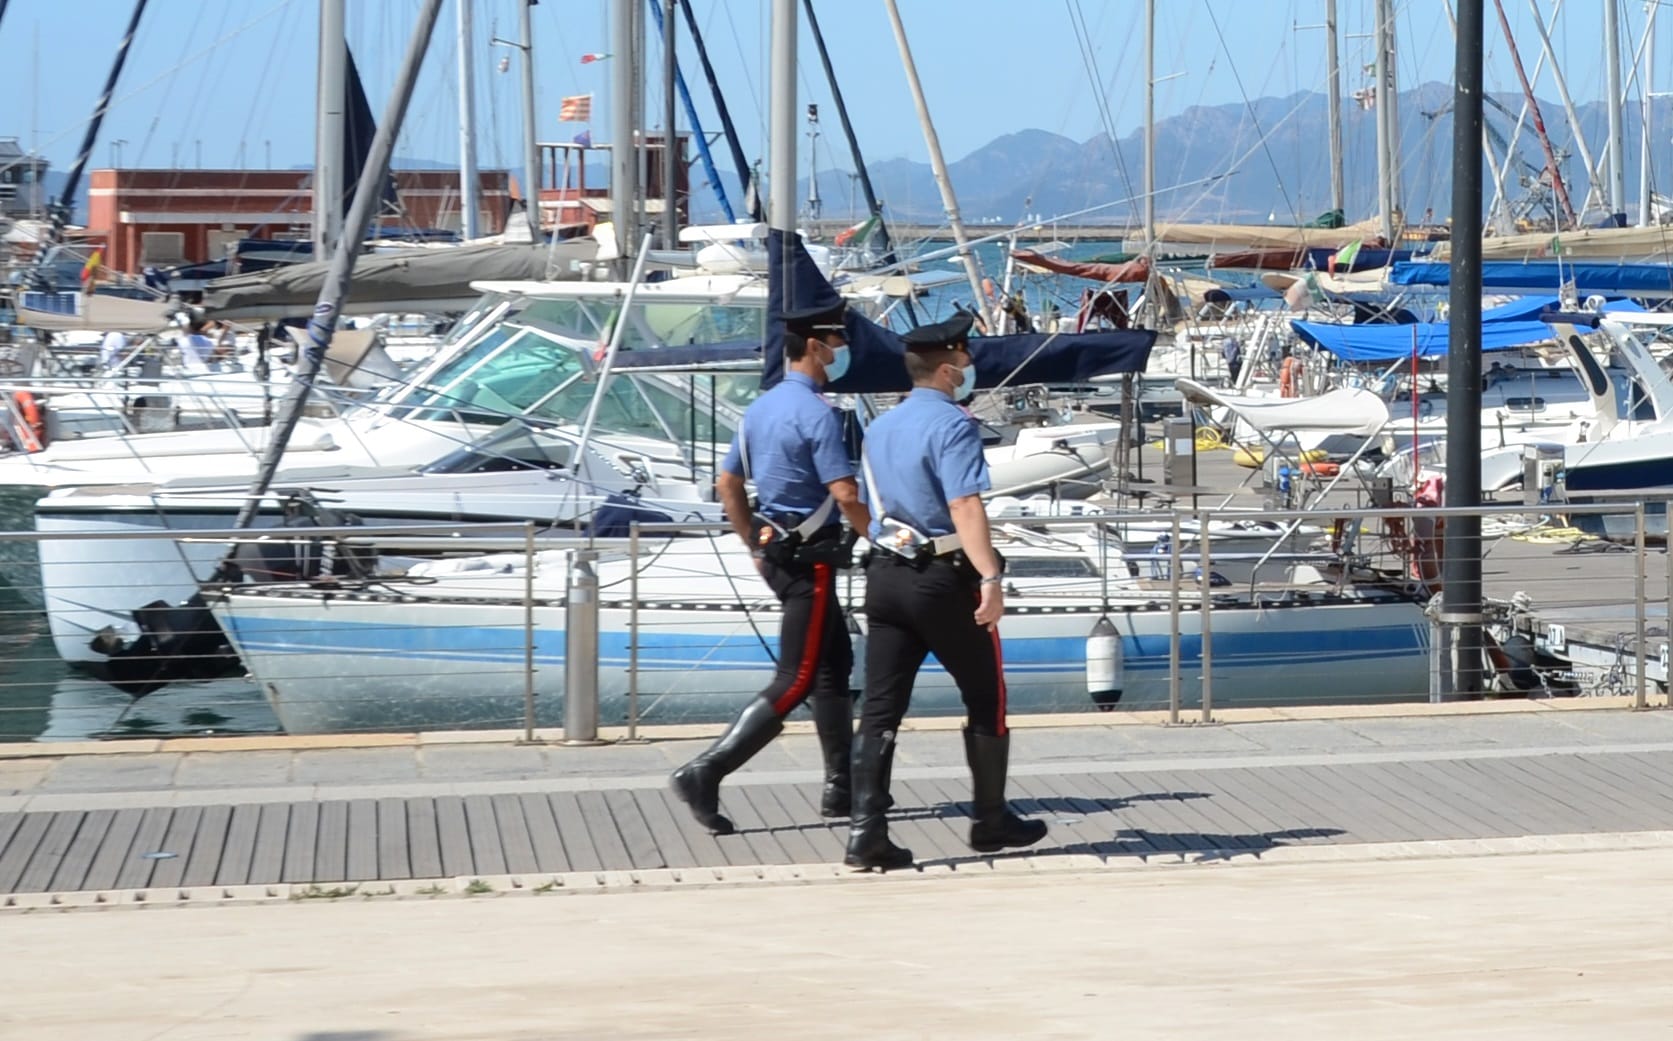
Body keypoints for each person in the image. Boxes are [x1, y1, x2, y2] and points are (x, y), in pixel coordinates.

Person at [845, 312, 1048, 871]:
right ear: (949, 367)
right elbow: (964, 504)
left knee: (882, 707)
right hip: (942, 575)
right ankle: (989, 819)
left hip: (885, 573)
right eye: (964, 358)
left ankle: (867, 831)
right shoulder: (954, 424)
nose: (969, 366)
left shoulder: (880, 425)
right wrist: (990, 576)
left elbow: (859, 503)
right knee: (987, 696)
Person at [669, 300, 871, 834]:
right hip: (815, 560)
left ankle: (840, 787)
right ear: (816, 346)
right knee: (798, 676)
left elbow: (728, 485)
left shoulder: (760, 408)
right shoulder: (819, 414)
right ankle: (706, 770)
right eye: (839, 341)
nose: (844, 350)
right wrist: (878, 534)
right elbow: (845, 492)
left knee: (832, 666)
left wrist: (753, 546)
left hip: (778, 553)